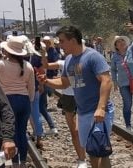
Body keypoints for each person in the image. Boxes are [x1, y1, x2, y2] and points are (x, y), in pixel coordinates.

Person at [39, 26, 114, 168]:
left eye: (62, 41)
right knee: (92, 150)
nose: (59, 45)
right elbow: (65, 82)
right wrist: (47, 81)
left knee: (100, 149)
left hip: (98, 112)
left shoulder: (92, 56)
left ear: (73, 40)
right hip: (83, 112)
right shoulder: (68, 60)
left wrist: (101, 108)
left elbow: (106, 80)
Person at [0, 36, 35, 166]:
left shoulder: (2, 64)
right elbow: (31, 87)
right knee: (22, 131)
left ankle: (14, 161)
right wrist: (29, 101)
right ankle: (23, 161)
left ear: (8, 51)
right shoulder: (28, 66)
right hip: (24, 100)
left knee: (10, 132)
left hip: (8, 100)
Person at [41, 50, 87, 168]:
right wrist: (43, 54)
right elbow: (46, 66)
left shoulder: (84, 63)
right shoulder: (64, 62)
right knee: (74, 132)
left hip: (80, 97)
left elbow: (78, 83)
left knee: (78, 130)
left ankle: (84, 157)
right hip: (68, 98)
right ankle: (82, 159)